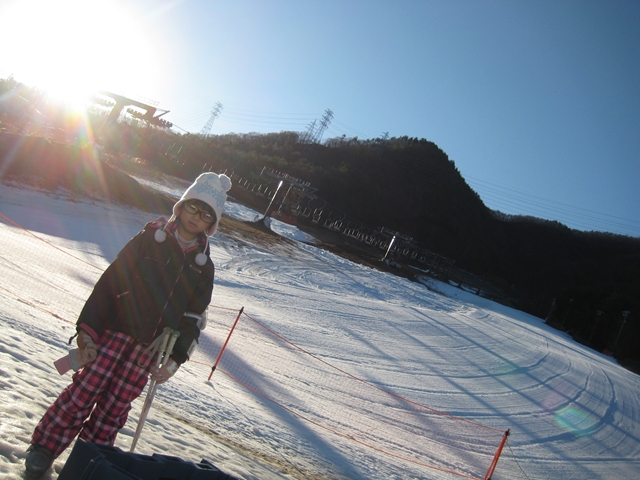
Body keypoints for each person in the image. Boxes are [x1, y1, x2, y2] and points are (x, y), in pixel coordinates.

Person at [25, 172, 232, 477]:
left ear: (211, 224)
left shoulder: (203, 267)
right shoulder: (150, 239)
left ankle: (87, 464)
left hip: (148, 349)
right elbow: (111, 281)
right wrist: (88, 330)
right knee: (82, 394)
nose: (196, 218)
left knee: (114, 410)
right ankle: (43, 448)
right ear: (181, 205)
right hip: (114, 333)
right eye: (193, 207)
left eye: (206, 215)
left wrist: (175, 358)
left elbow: (193, 318)